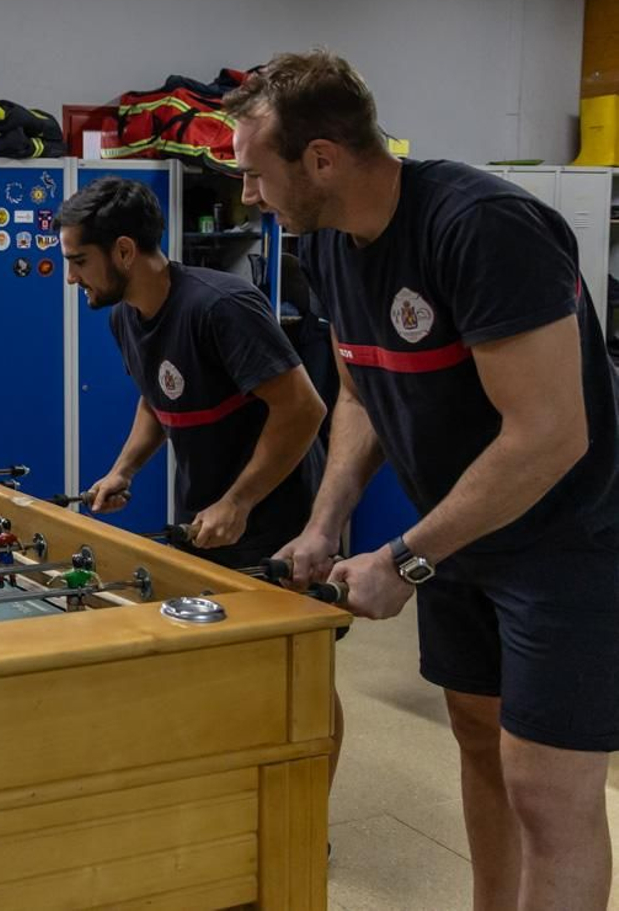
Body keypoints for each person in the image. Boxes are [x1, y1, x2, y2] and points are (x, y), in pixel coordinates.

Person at [229, 49, 619, 909]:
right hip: (462, 535)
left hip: (567, 542)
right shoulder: (329, 247)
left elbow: (550, 435)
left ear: (321, 158)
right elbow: (361, 388)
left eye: (255, 173)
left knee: (548, 791)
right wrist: (326, 520)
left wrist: (406, 558)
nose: (247, 195)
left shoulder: (481, 227)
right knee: (479, 744)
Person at [61, 176, 327, 568]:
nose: (71, 277)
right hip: (202, 514)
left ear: (124, 251)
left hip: (271, 522)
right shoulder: (125, 317)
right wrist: (123, 470)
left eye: (79, 261)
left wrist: (238, 502)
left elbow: (303, 409)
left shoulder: (221, 306)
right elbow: (155, 398)